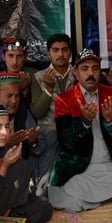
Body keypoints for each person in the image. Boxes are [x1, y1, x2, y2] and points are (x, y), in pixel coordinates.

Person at [47, 48, 112, 213]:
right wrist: (84, 121)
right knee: (72, 198)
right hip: (79, 167)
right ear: (76, 72)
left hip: (108, 164)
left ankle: (92, 200)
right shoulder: (64, 100)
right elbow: (67, 142)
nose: (91, 73)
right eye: (85, 69)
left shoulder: (111, 94)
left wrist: (110, 120)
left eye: (95, 68)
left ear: (100, 71)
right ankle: (91, 197)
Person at [0, 104, 52, 223]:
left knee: (44, 206)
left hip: (10, 205)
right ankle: (5, 219)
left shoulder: (1, 148)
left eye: (7, 126)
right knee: (19, 166)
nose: (4, 132)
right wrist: (4, 165)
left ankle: (11, 216)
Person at [30, 33, 75, 192]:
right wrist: (48, 90)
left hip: (75, 132)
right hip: (50, 133)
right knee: (45, 181)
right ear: (48, 53)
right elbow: (38, 113)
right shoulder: (38, 77)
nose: (60, 55)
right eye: (55, 50)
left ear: (70, 52)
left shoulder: (79, 74)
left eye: (64, 50)